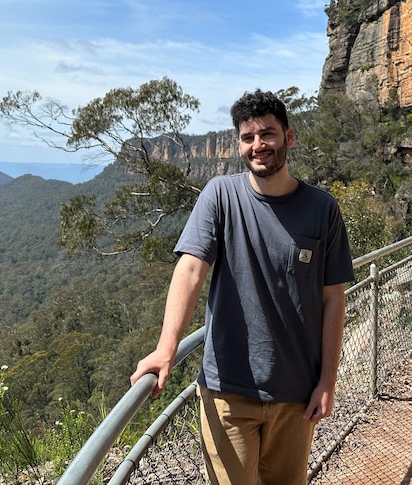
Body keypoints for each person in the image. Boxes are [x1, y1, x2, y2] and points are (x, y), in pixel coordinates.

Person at [130, 89, 355, 484]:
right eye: (248, 138)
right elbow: (191, 269)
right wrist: (167, 349)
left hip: (296, 394)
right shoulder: (220, 195)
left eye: (267, 134)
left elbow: (332, 299)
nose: (258, 145)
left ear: (289, 137)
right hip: (227, 393)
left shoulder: (323, 210)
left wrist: (326, 382)